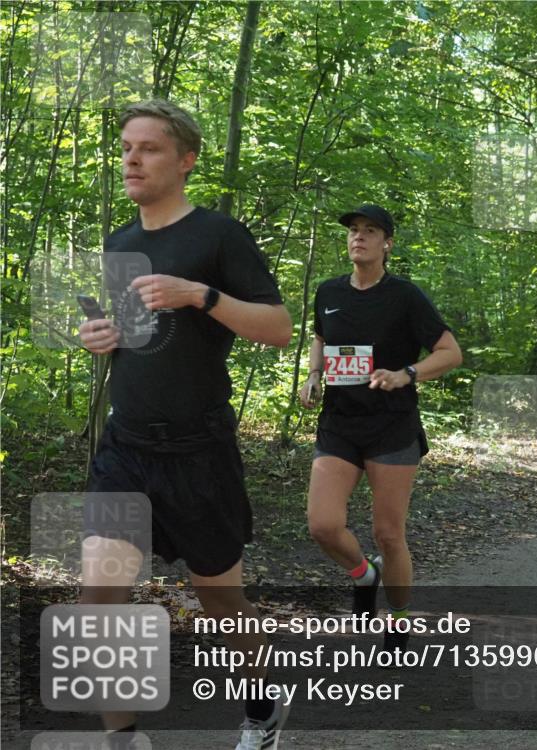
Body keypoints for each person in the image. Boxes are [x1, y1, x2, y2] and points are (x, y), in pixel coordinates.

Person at [77, 100, 293, 750]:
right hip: (127, 448)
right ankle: (124, 738)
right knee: (97, 600)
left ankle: (262, 708)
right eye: (125, 148)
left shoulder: (218, 236)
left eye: (148, 148)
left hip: (199, 451)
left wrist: (201, 295)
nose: (132, 160)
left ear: (186, 159)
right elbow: (134, 338)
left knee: (221, 600)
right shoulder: (120, 241)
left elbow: (279, 330)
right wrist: (102, 336)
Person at [299, 204, 461, 654]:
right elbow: (320, 336)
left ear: (387, 243)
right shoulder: (329, 291)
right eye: (353, 230)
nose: (359, 237)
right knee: (322, 525)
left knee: (389, 534)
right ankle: (363, 575)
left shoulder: (405, 296)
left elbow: (450, 352)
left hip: (392, 426)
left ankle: (399, 620)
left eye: (370, 231)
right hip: (340, 424)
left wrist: (406, 373)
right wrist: (313, 374)